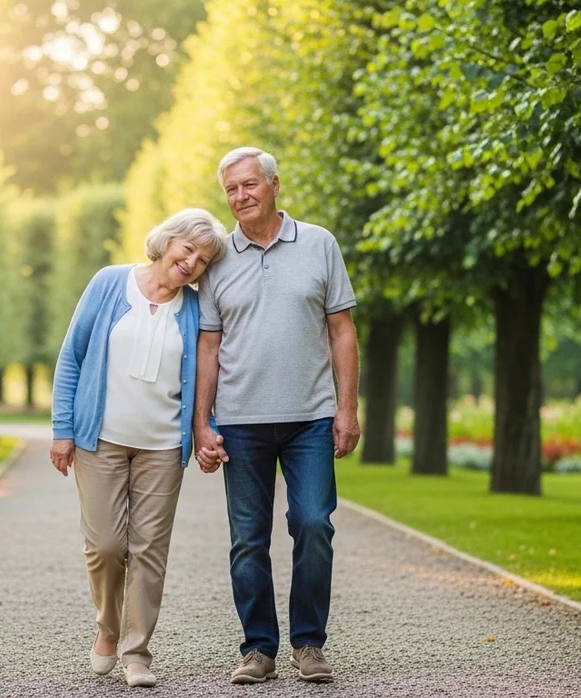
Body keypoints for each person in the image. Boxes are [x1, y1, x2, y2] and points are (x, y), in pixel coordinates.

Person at [195, 147, 361, 685]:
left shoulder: (319, 244)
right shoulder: (216, 257)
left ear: (274, 185)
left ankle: (308, 643)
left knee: (313, 523)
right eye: (231, 190)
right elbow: (208, 347)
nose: (240, 197)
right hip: (240, 422)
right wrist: (202, 423)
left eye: (249, 185)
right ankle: (259, 648)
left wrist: (348, 406)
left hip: (311, 418)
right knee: (248, 538)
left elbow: (342, 330)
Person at [50, 208, 228, 688]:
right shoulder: (110, 283)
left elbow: (205, 377)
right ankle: (107, 628)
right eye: (187, 249)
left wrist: (206, 429)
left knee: (150, 550)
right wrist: (62, 429)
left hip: (162, 447)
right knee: (106, 545)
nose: (192, 262)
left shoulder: (195, 307)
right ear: (167, 241)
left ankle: (136, 652)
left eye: (204, 259)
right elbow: (73, 356)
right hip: (99, 440)